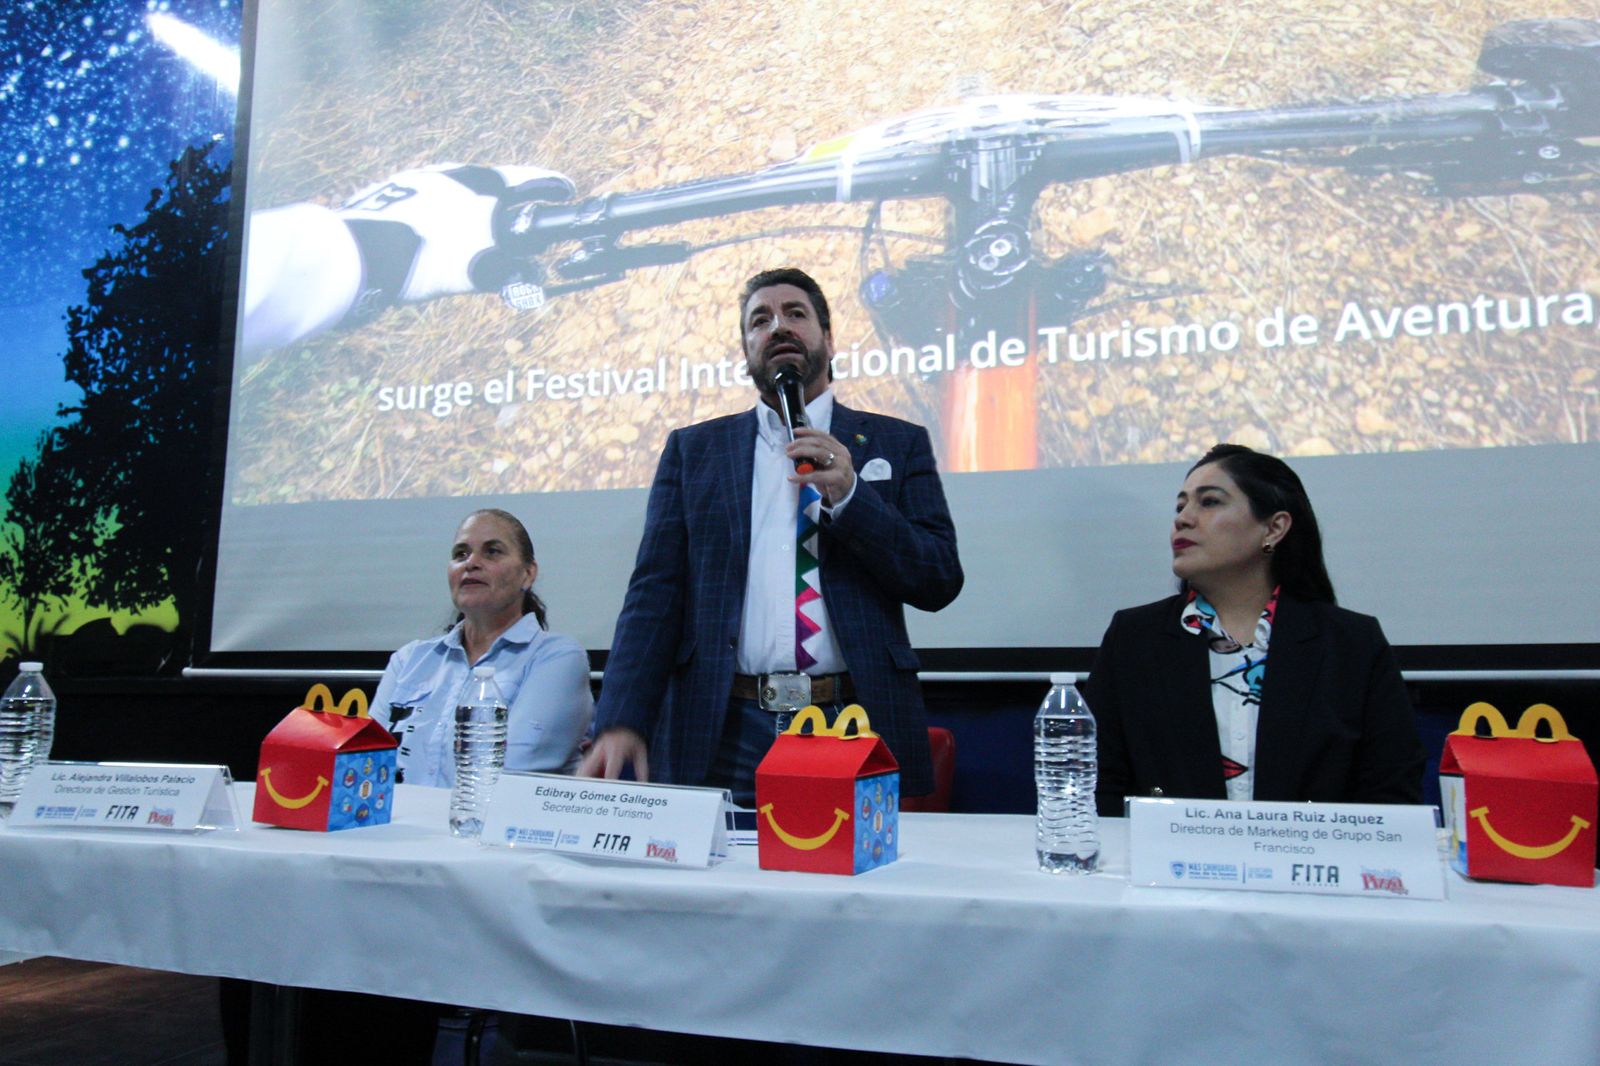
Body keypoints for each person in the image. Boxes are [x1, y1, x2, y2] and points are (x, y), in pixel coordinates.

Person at [579, 267, 963, 803]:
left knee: (848, 863)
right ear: (746, 353)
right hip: (723, 729)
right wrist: (621, 717)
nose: (778, 326)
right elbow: (654, 594)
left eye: (795, 313)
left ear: (828, 339)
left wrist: (852, 495)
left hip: (851, 721)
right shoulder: (695, 451)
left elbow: (938, 579)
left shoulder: (896, 443)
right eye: (760, 320)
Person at [1083, 443, 1424, 816]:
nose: (1183, 519)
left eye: (1209, 502)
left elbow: (1391, 794)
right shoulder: (1134, 639)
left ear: (1274, 528)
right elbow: (1096, 785)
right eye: (1180, 507)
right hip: (1166, 854)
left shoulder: (1351, 643)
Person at [372, 508, 593, 784]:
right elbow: (366, 764)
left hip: (493, 813)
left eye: (492, 552)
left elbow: (510, 773)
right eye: (460, 554)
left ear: (528, 574)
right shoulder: (408, 660)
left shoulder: (556, 658)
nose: (471, 563)